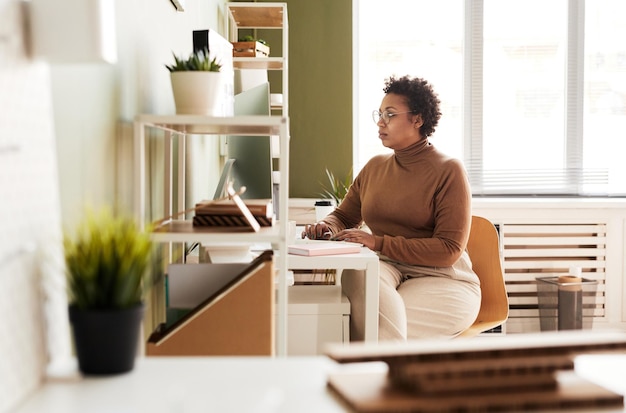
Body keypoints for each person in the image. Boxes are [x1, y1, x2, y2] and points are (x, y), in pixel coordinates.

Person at [302, 75, 481, 341]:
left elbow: (448, 250)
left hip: (442, 278)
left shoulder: (448, 170)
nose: (380, 122)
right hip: (385, 268)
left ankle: (378, 377)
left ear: (417, 119)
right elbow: (343, 215)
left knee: (372, 322)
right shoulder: (375, 167)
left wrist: (378, 243)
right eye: (380, 113)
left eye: (390, 114)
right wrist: (326, 226)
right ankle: (380, 374)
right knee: (357, 279)